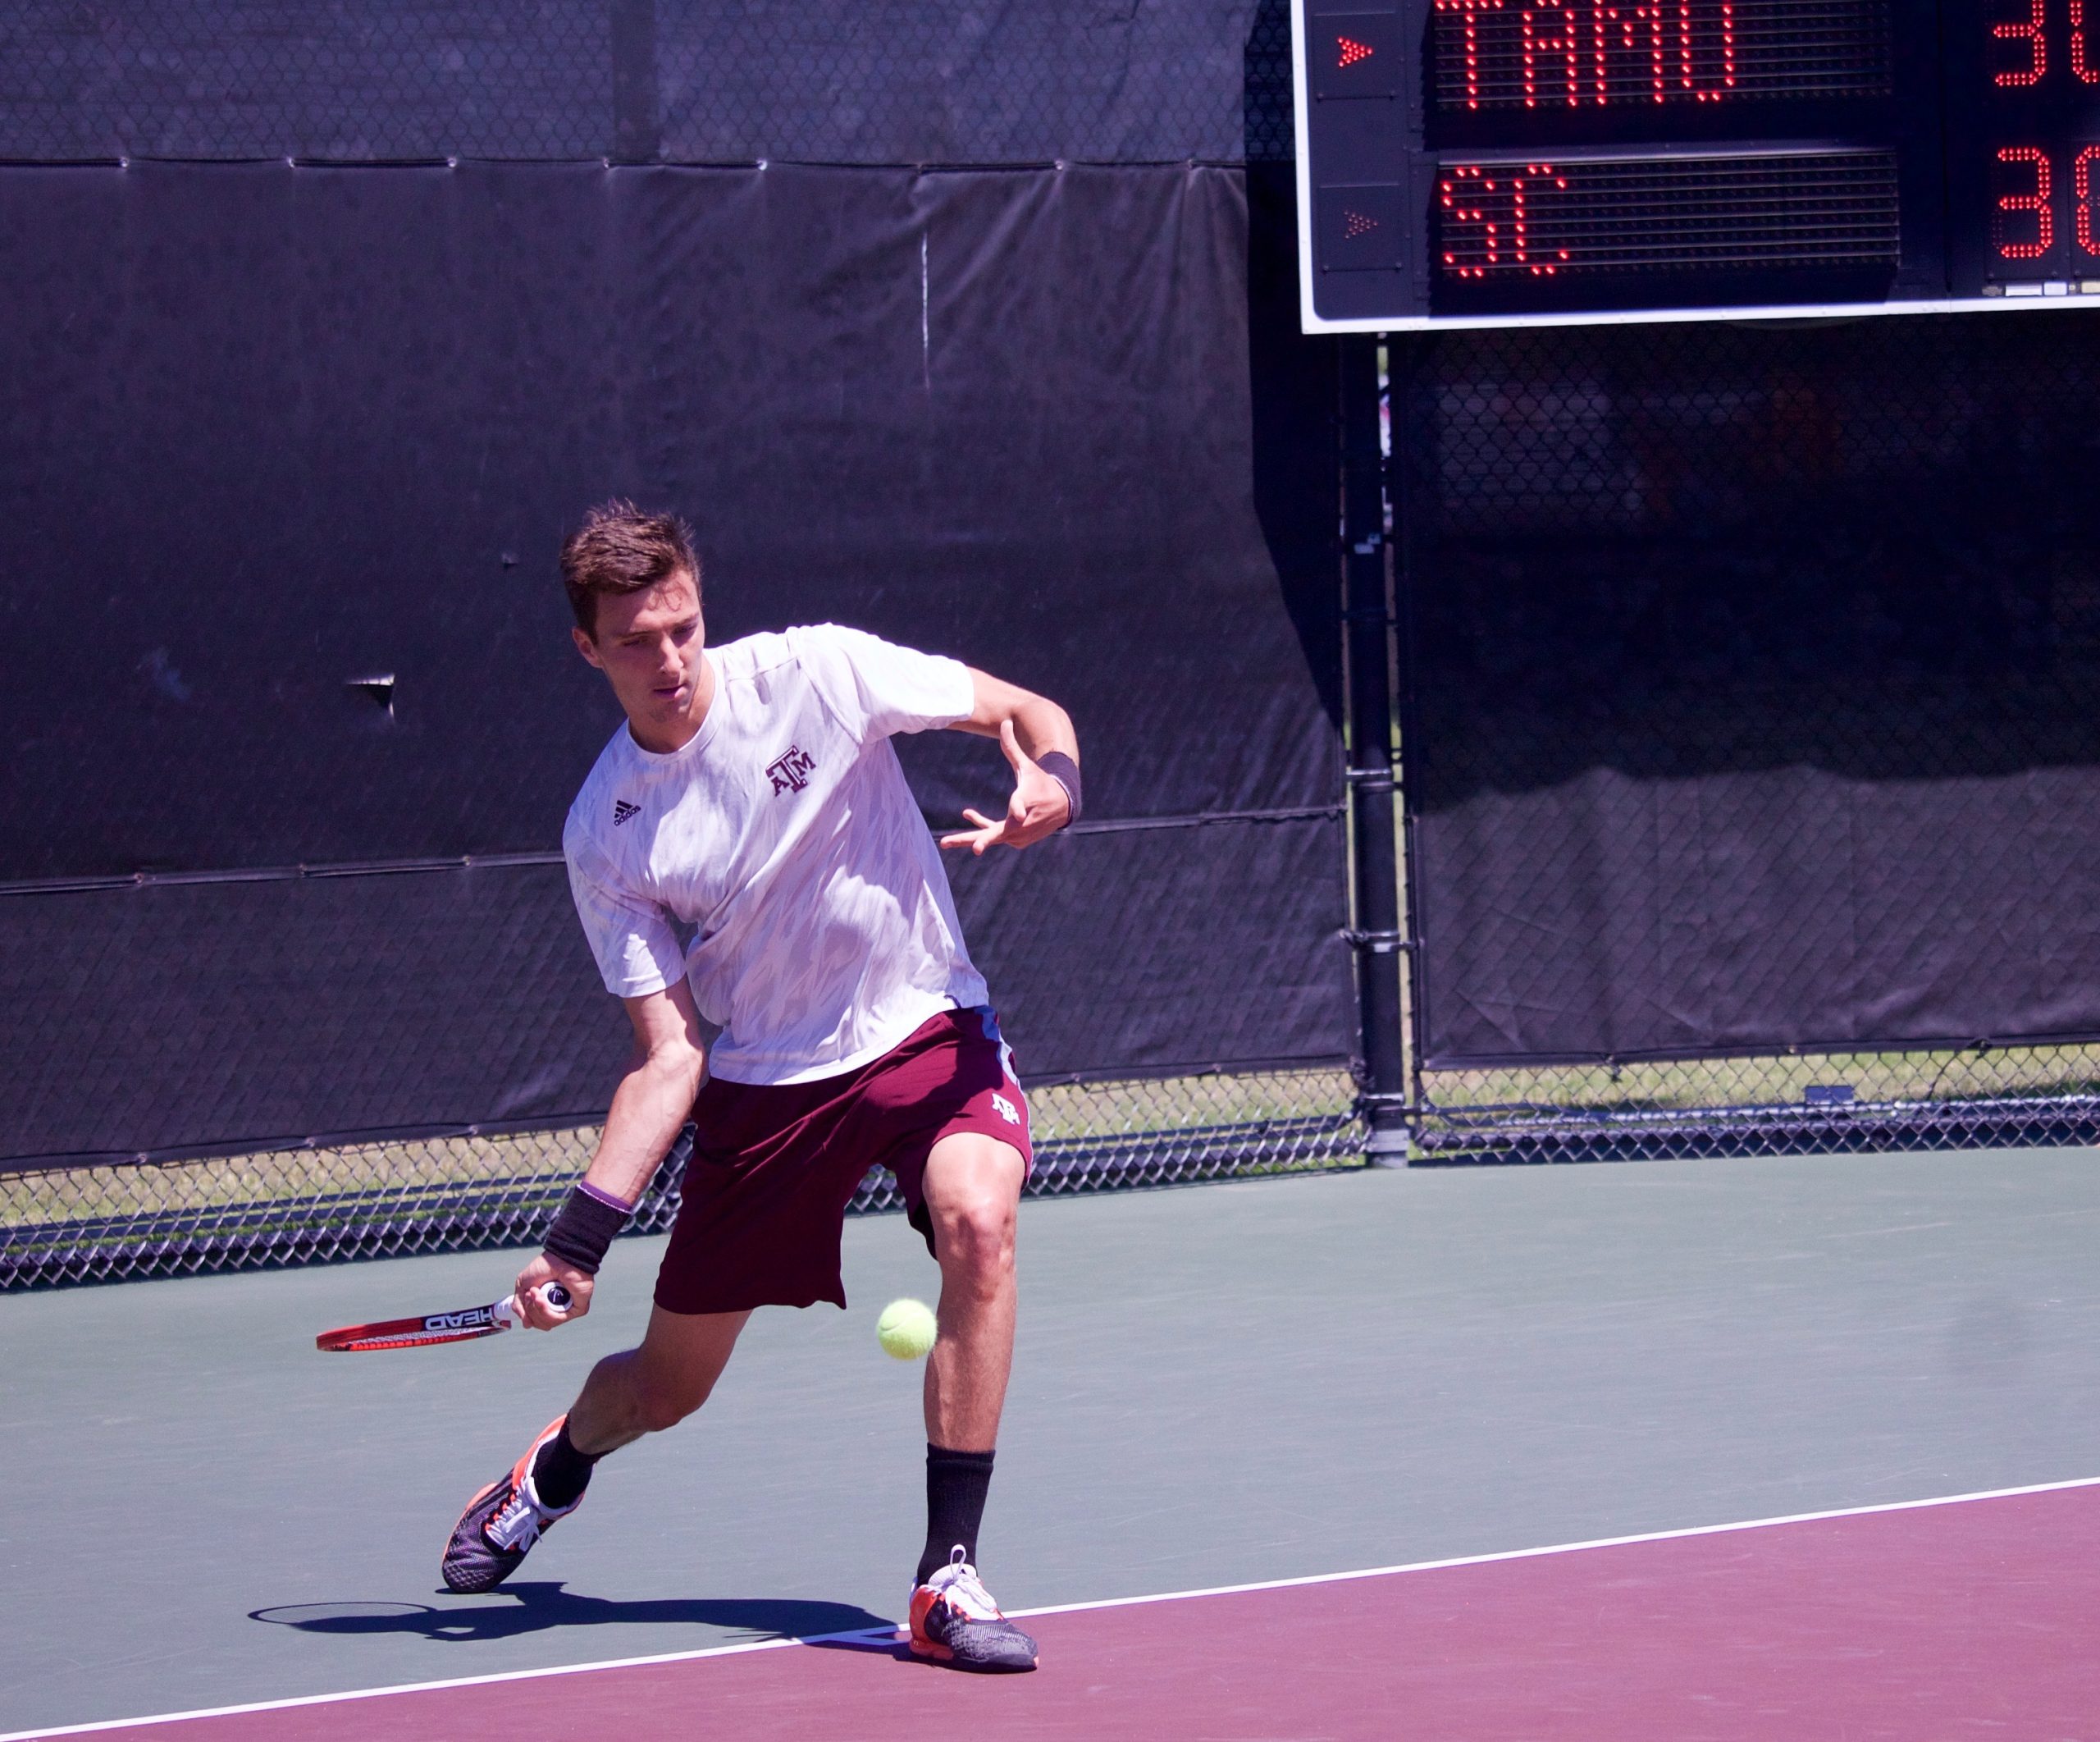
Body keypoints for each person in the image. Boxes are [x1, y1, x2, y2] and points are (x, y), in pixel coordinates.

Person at [438, 502, 1078, 1674]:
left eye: (680, 626)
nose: (668, 660)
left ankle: (946, 1580)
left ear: (700, 604)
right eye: (634, 641)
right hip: (769, 1085)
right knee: (666, 1392)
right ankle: (557, 1467)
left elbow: (1029, 713)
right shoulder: (608, 830)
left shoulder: (820, 671)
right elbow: (669, 1052)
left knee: (980, 1223)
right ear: (588, 649)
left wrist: (1055, 783)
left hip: (927, 1022)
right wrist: (576, 1245)